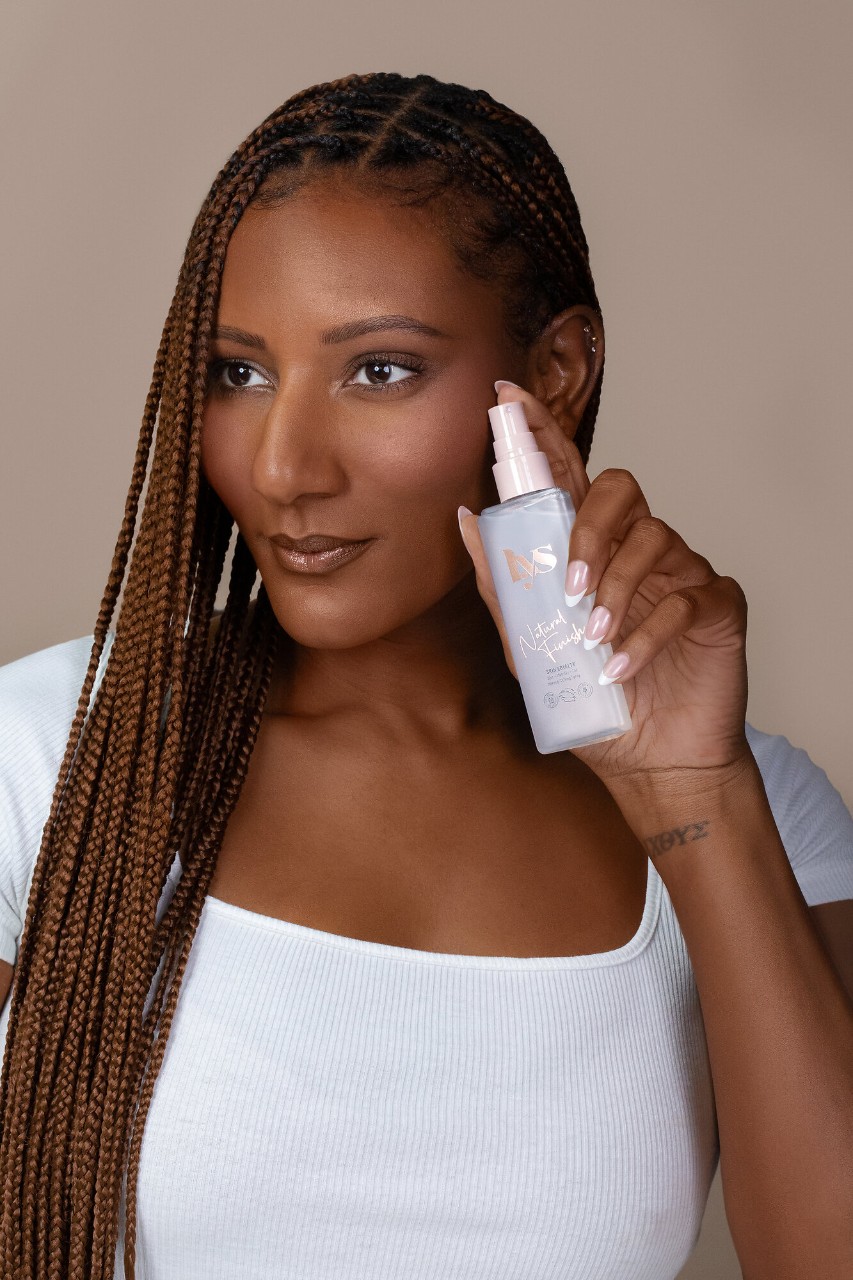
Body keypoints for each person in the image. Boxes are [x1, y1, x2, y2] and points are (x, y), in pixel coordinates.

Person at [0, 70, 851, 1280]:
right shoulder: (48, 761)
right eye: (239, 372)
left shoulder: (758, 815)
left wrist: (688, 796)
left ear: (555, 371)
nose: (285, 466)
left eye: (380, 369)